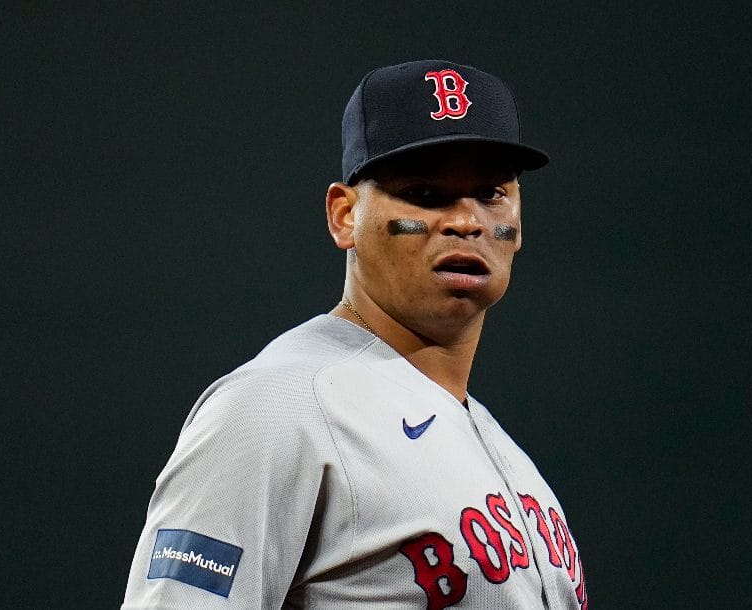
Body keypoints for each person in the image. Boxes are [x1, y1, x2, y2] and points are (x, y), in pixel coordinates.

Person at [122, 59, 588, 609]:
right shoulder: (278, 406)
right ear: (344, 216)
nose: (467, 220)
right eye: (426, 193)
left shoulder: (496, 446)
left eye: (490, 193)